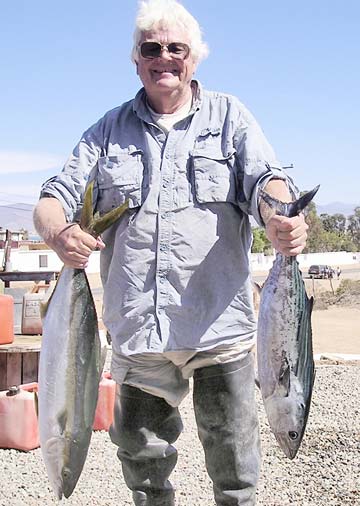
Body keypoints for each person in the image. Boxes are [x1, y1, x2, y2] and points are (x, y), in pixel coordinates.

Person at [33, 1, 309, 504]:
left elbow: (268, 182)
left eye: (176, 49)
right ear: (135, 60)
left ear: (195, 58)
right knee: (144, 471)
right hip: (140, 335)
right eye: (151, 49)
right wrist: (57, 235)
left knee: (235, 469)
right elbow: (54, 198)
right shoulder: (106, 132)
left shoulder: (231, 118)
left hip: (218, 330)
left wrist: (281, 219)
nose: (164, 58)